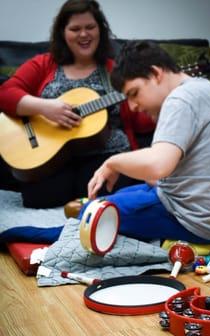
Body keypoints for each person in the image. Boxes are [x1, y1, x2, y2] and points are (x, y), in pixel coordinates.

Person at [84, 40, 210, 244]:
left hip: (197, 224)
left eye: (134, 93)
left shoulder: (180, 99)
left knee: (90, 213)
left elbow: (158, 166)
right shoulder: (209, 90)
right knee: (123, 194)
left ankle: (32, 233)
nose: (133, 106)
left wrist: (112, 162)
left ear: (155, 74)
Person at [0, 0, 152, 208]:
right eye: (75, 29)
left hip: (107, 154)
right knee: (38, 198)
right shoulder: (44, 64)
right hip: (52, 155)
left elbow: (141, 122)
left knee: (106, 199)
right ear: (63, 33)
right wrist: (45, 108)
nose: (84, 35)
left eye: (90, 27)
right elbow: (5, 93)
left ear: (100, 30)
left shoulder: (115, 70)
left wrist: (157, 101)